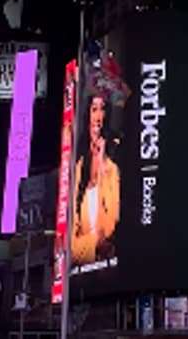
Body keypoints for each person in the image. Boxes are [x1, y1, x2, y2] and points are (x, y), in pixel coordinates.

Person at [71, 94, 121, 266]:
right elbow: (69, 248)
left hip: (115, 262)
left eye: (103, 109)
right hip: (85, 268)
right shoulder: (78, 168)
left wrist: (104, 166)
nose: (99, 117)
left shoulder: (114, 163)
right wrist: (95, 244)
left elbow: (117, 217)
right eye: (94, 110)